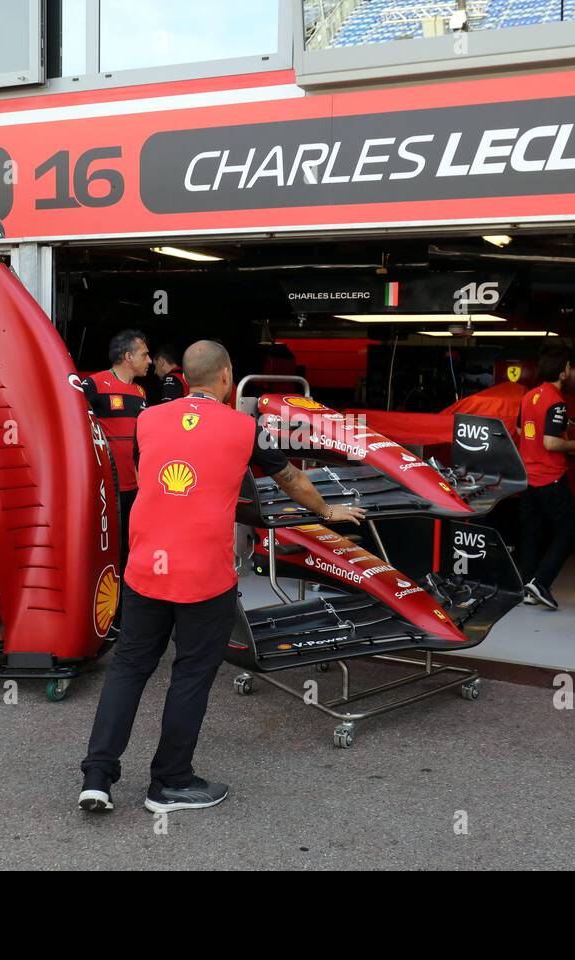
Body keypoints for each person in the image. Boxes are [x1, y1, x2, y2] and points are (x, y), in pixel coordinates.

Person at [79, 340, 367, 814]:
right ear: (228, 375)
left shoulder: (149, 417)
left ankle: (97, 777)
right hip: (203, 577)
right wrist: (327, 509)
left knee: (129, 670)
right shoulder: (243, 427)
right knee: (190, 675)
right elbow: (291, 479)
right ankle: (169, 784)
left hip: (146, 568)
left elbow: (146, 471)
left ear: (186, 377)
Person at [517, 344, 575, 610]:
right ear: (563, 372)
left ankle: (527, 586)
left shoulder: (529, 396)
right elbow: (550, 442)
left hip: (528, 477)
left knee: (531, 533)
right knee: (567, 532)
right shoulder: (556, 400)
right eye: (568, 366)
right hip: (550, 477)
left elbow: (521, 429)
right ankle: (542, 582)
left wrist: (566, 425)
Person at [82, 330, 151, 577]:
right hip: (106, 488)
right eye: (145, 354)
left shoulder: (141, 394)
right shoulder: (93, 384)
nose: (150, 360)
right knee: (105, 548)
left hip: (134, 487)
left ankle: (126, 602)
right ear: (128, 356)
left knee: (130, 547)